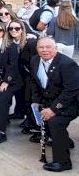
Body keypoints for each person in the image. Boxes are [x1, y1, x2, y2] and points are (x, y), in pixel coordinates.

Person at [29, 37, 79, 172]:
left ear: (55, 49)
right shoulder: (34, 60)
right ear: (37, 49)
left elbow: (71, 91)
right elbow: (34, 82)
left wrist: (52, 109)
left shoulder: (67, 64)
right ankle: (65, 141)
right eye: (41, 47)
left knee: (55, 122)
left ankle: (63, 162)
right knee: (37, 115)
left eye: (48, 47)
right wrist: (36, 101)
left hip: (70, 103)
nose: (44, 50)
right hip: (49, 99)